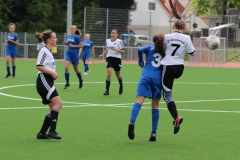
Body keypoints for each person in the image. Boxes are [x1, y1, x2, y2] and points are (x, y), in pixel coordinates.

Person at [161, 0, 195, 134]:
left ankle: (176, 117)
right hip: (179, 68)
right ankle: (175, 118)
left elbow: (161, 49)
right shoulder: (187, 38)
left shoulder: (167, 36)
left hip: (168, 66)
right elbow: (192, 54)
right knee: (167, 88)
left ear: (174, 26)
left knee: (167, 96)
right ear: (184, 29)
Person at [128, 34, 165, 141]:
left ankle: (132, 122)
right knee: (155, 105)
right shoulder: (164, 52)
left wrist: (140, 61)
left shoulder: (149, 48)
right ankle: (153, 132)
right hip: (157, 79)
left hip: (146, 76)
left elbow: (140, 49)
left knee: (139, 101)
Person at [36, 30, 62, 139]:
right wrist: (53, 73)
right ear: (49, 40)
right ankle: (52, 131)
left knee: (52, 108)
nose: (56, 39)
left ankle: (42, 133)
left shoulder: (47, 51)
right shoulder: (44, 51)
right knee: (58, 104)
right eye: (54, 37)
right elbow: (39, 65)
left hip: (46, 80)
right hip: (44, 80)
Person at [99, 29, 124, 95]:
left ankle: (121, 86)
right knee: (109, 74)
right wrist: (102, 54)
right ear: (110, 34)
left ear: (117, 34)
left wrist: (117, 50)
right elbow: (107, 49)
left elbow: (123, 51)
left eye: (115, 33)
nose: (113, 34)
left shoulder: (120, 41)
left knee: (118, 75)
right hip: (109, 58)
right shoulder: (108, 40)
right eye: (112, 33)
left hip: (117, 59)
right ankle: (107, 91)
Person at [63, 25, 83, 89]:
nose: (72, 30)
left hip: (75, 55)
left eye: (73, 29)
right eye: (71, 28)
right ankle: (67, 83)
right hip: (68, 54)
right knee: (66, 68)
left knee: (76, 69)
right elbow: (69, 44)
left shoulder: (77, 37)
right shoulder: (68, 36)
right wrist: (65, 43)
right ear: (70, 29)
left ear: (75, 30)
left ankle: (80, 79)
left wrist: (73, 46)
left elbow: (81, 45)